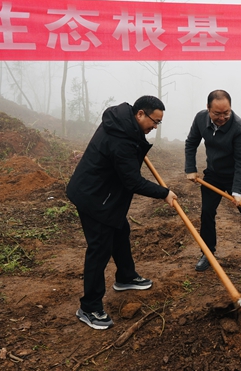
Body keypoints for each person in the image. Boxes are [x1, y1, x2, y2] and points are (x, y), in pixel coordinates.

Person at [66, 96, 177, 330]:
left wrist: (139, 141)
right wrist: (164, 193)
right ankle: (89, 307)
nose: (155, 127)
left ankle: (126, 277)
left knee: (120, 229)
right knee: (100, 249)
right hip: (94, 197)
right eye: (154, 121)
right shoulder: (121, 139)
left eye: (158, 123)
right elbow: (132, 181)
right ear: (139, 114)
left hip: (103, 192)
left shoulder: (123, 124)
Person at [184, 90, 241, 279]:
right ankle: (207, 254)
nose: (222, 117)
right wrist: (190, 168)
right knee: (207, 213)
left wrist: (237, 191)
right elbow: (191, 142)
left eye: (226, 113)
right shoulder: (200, 119)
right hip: (213, 174)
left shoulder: (239, 128)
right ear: (208, 109)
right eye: (217, 113)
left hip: (237, 175)